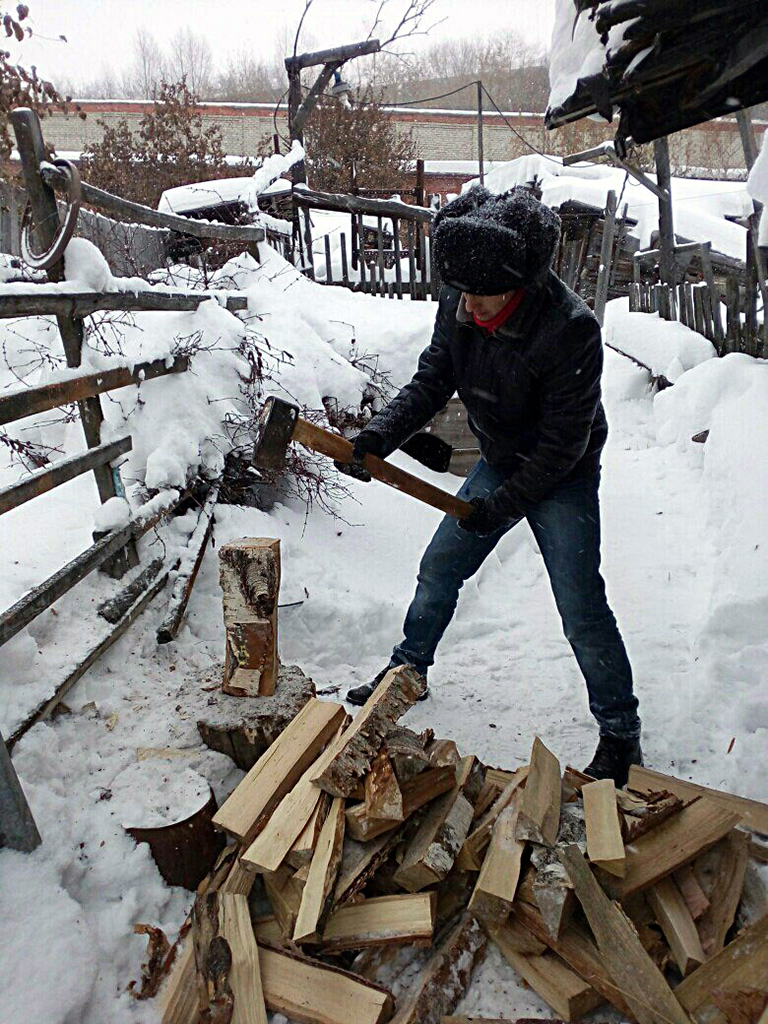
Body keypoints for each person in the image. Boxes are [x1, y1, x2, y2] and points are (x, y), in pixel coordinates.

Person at [340, 185, 642, 786]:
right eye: (464, 295)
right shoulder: (462, 294)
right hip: (501, 458)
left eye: (485, 298)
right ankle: (408, 672)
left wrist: (498, 508)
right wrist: (379, 436)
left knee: (581, 608)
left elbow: (562, 447)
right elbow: (432, 380)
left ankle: (620, 733)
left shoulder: (570, 330)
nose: (470, 309)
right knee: (439, 568)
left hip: (563, 473)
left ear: (520, 284)